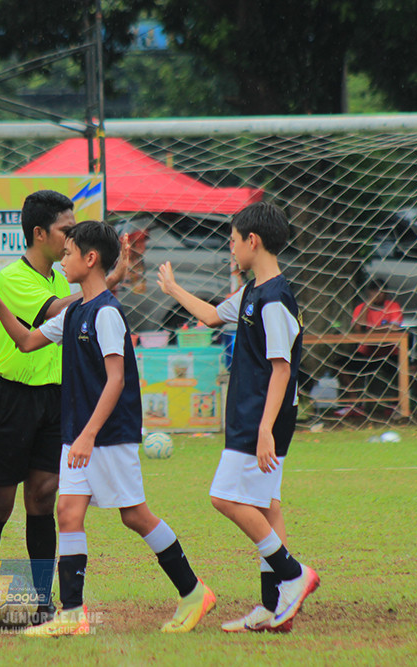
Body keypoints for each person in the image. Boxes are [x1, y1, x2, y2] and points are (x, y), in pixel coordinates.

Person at [0, 220, 215, 636]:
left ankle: (194, 591)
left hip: (107, 435)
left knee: (136, 516)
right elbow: (26, 341)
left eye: (69, 253)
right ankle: (72, 614)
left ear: (90, 259)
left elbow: (117, 379)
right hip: (79, 434)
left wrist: (88, 434)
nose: (63, 259)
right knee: (68, 513)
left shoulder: (106, 312)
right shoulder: (75, 311)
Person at [0, 191, 128, 625]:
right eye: (65, 230)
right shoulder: (14, 277)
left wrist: (102, 281)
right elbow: (56, 313)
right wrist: (105, 280)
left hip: (53, 400)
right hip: (11, 397)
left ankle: (40, 603)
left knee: (42, 499)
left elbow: (79, 303)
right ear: (39, 233)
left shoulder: (63, 276)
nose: (70, 238)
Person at [156, 201, 320, 633]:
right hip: (256, 416)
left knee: (224, 498)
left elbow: (282, 368)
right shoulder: (252, 293)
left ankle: (293, 575)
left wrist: (264, 428)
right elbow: (211, 315)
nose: (230, 248)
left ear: (254, 241)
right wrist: (173, 289)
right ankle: (273, 606)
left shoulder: (274, 300)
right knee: (268, 507)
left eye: (233, 240)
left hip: (259, 418)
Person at [336, 280, 404, 415]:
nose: (378, 296)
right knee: (340, 366)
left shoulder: (393, 306)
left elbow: (395, 328)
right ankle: (354, 404)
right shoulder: (361, 308)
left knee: (404, 368)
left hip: (389, 352)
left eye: (381, 292)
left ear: (386, 293)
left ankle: (396, 405)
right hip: (367, 353)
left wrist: (372, 330)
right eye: (374, 293)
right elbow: (358, 329)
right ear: (369, 293)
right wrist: (368, 305)